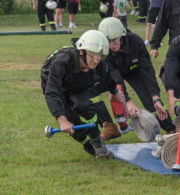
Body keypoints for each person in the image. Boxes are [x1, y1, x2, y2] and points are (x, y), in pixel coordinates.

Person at [43, 30, 139, 158]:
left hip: (76, 83)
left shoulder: (100, 65)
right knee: (71, 119)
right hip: (55, 83)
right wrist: (62, 120)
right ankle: (88, 145)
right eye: (93, 55)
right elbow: (52, 92)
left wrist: (115, 92)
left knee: (84, 105)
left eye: (100, 56)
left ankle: (97, 141)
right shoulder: (61, 62)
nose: (96, 60)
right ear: (82, 52)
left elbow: (109, 80)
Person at [98, 17, 174, 133]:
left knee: (152, 102)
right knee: (116, 93)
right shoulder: (103, 49)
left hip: (134, 70)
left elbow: (147, 70)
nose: (111, 45)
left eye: (114, 41)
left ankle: (171, 130)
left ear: (122, 36)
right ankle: (117, 127)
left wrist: (155, 96)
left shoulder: (135, 41)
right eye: (107, 42)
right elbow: (114, 77)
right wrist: (127, 101)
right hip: (112, 74)